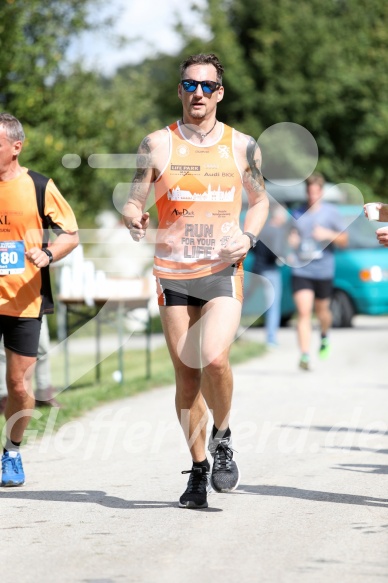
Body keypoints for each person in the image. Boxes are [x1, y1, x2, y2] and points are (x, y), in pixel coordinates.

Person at [123, 53, 268, 509]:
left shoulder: (242, 146)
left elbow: (259, 201)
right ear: (180, 90)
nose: (198, 94)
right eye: (189, 86)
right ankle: (199, 469)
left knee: (214, 358)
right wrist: (133, 217)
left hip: (222, 270)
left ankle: (223, 435)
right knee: (187, 378)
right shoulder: (156, 144)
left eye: (207, 86)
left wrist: (248, 237)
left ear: (220, 92)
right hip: (172, 273)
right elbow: (133, 199)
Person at [0, 112, 79, 487]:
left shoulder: (39, 186)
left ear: (16, 147)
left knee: (18, 386)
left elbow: (71, 233)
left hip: (24, 303)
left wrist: (48, 254)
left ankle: (12, 451)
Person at [288, 173, 348, 371]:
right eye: (309, 192)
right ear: (306, 192)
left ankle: (324, 335)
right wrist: (291, 243)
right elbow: (290, 238)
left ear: (321, 192)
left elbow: (344, 241)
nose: (312, 195)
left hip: (323, 270)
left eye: (316, 192)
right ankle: (304, 355)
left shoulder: (331, 213)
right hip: (302, 269)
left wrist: (327, 234)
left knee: (322, 311)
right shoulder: (297, 213)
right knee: (304, 312)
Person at [0, 315, 60, 414]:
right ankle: (3, 397)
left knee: (43, 348)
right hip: (4, 304)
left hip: (34, 304)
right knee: (2, 353)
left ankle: (44, 393)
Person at [250, 203, 288, 348]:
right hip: (270, 271)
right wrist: (283, 257)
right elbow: (277, 252)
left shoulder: (261, 229)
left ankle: (235, 330)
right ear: (278, 216)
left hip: (257, 270)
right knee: (273, 305)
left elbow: (252, 248)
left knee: (246, 300)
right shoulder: (277, 232)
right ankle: (271, 339)